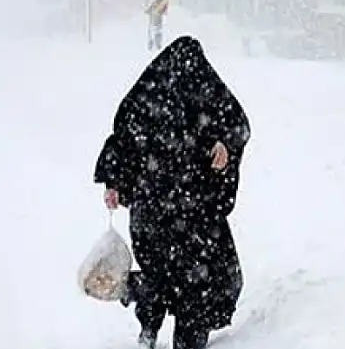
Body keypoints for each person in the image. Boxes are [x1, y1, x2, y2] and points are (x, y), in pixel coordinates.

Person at [93, 35, 251, 349]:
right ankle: (170, 337)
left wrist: (224, 144)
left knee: (170, 276)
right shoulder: (176, 97)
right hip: (179, 211)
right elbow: (124, 143)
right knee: (193, 279)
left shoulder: (151, 97)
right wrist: (114, 184)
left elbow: (236, 125)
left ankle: (154, 325)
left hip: (174, 210)